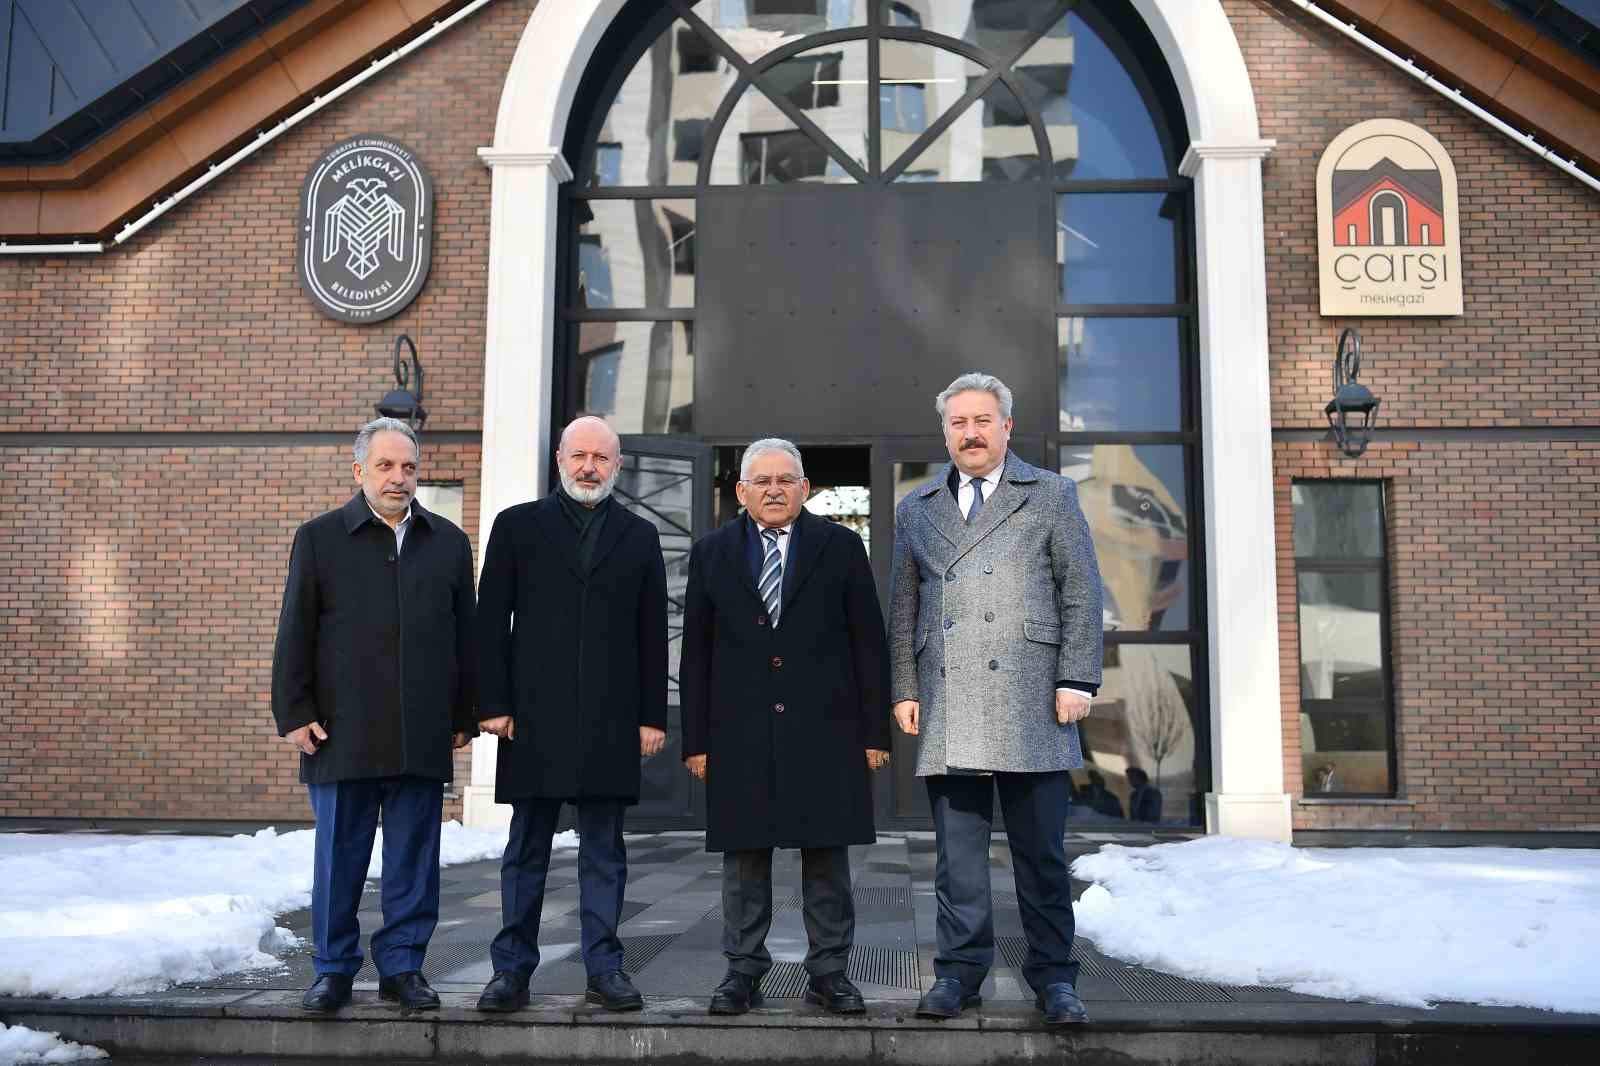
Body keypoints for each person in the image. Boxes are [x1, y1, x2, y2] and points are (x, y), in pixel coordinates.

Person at [888, 372, 1104, 1026]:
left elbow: (1081, 593)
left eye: (983, 420)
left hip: (1034, 699)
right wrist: (903, 685)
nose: (971, 433)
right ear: (945, 432)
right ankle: (958, 975)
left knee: (1040, 856)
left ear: (1007, 427)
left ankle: (1055, 978)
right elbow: (905, 605)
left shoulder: (1052, 495)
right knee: (957, 863)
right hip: (952, 699)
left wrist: (1078, 678)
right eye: (959, 423)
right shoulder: (917, 506)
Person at [271, 417, 478, 1014]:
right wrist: (294, 710)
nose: (398, 478)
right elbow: (296, 630)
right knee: (340, 860)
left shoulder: (448, 542)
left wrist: (464, 710)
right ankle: (332, 971)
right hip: (343, 731)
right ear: (359, 470)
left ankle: (404, 968)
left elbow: (465, 632)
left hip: (421, 731)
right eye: (385, 466)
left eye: (408, 467)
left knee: (414, 860)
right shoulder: (320, 538)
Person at [680, 438, 892, 1016]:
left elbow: (868, 643)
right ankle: (742, 971)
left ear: (805, 489)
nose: (774, 490)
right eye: (762, 481)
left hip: (827, 730)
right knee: (744, 858)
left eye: (786, 479)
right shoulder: (712, 552)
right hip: (737, 731)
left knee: (826, 855)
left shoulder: (842, 547)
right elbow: (695, 652)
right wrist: (695, 739)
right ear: (742, 491)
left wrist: (875, 732)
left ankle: (830, 971)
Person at [473, 416, 668, 1014]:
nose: (589, 467)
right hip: (532, 716)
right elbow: (489, 623)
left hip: (611, 718)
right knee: (525, 849)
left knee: (605, 851)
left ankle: (605, 968)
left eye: (601, 458)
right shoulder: (517, 526)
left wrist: (650, 715)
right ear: (559, 458)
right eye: (579, 455)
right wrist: (493, 704)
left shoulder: (639, 536)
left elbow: (652, 633)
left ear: (617, 466)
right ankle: (511, 971)